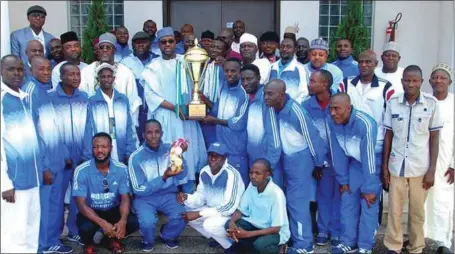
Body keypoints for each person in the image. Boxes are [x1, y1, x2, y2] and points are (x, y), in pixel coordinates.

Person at [382, 65, 443, 254]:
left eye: (415, 80)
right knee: (395, 210)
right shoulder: (393, 103)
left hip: (420, 167)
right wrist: (384, 168)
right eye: (407, 80)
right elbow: (388, 136)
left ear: (421, 82)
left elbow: (434, 138)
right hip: (396, 165)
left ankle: (416, 246)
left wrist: (432, 169)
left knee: (417, 212)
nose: (411, 84)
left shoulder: (431, 104)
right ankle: (394, 245)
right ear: (402, 81)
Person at [141, 27, 207, 193]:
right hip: (165, 117)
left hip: (185, 118)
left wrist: (189, 108)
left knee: (188, 154)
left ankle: (189, 192)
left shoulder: (186, 61)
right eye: (163, 42)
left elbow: (198, 85)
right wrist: (174, 107)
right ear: (158, 45)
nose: (167, 45)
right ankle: (169, 193)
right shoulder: (152, 67)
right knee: (169, 155)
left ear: (175, 42)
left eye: (171, 41)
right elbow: (151, 96)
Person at [264, 79, 326, 253]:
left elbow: (313, 139)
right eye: (265, 93)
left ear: (282, 95)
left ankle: (304, 245)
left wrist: (318, 164)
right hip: (282, 157)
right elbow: (274, 138)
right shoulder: (271, 107)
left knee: (296, 202)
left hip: (300, 159)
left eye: (270, 94)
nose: (266, 97)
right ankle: (288, 237)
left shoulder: (296, 111)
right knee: (277, 199)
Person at [22, 56, 73, 253]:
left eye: (48, 69)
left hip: (57, 159)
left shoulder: (44, 90)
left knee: (55, 205)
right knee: (46, 207)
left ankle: (53, 240)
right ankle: (44, 244)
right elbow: (32, 134)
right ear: (30, 69)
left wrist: (65, 153)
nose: (45, 72)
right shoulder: (30, 92)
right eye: (40, 69)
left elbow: (52, 126)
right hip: (46, 164)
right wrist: (43, 167)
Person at [339, 50, 395, 226]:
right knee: (349, 195)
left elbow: (390, 121)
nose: (364, 65)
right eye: (361, 62)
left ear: (375, 64)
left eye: (368, 62)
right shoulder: (346, 84)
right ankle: (349, 237)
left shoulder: (386, 87)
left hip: (375, 148)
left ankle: (368, 237)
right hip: (350, 148)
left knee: (370, 194)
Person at [326, 93, 380, 254]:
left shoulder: (365, 124)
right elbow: (337, 152)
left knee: (368, 203)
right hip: (354, 163)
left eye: (337, 109)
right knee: (347, 200)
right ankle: (348, 242)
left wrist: (369, 188)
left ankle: (365, 246)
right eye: (330, 109)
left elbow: (369, 157)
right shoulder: (333, 121)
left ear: (348, 109)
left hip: (372, 164)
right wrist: (343, 180)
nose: (333, 113)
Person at [1, 55, 42, 253]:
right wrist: (4, 183)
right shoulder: (2, 100)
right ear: (2, 71)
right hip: (14, 183)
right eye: (11, 69)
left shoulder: (24, 98)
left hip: (33, 180)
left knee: (31, 232)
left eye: (19, 69)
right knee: (14, 236)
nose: (17, 73)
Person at [73, 132, 139, 253]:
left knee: (133, 222)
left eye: (104, 146)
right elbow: (81, 204)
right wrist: (103, 224)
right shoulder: (81, 170)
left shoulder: (121, 169)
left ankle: (112, 239)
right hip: (92, 212)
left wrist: (123, 221)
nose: (99, 150)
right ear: (92, 149)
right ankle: (92, 242)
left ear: (111, 148)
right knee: (85, 228)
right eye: (96, 147)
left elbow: (125, 198)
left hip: (113, 210)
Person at [128, 120, 188, 251]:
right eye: (149, 132)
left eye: (157, 132)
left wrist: (179, 155)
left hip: (168, 194)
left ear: (162, 133)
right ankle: (147, 240)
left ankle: (167, 235)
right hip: (145, 197)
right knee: (147, 222)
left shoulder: (170, 149)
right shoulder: (136, 157)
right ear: (143, 135)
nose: (153, 136)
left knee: (182, 216)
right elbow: (138, 189)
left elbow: (182, 176)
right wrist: (164, 177)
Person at [48, 62, 89, 246]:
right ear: (62, 77)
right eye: (71, 75)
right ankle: (52, 239)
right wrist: (64, 154)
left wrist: (87, 154)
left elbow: (89, 127)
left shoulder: (85, 98)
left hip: (81, 157)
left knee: (78, 198)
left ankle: (74, 231)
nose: (76, 78)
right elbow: (51, 130)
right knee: (56, 200)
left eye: (78, 74)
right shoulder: (51, 98)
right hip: (60, 159)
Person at [179, 142, 245, 251]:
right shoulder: (205, 171)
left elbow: (229, 206)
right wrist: (187, 197)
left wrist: (199, 214)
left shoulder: (231, 174)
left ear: (225, 158)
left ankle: (231, 247)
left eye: (217, 156)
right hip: (212, 210)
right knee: (188, 216)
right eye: (211, 155)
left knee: (208, 224)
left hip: (232, 215)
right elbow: (201, 197)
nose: (213, 158)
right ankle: (219, 237)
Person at [302, 70, 340, 247]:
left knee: (340, 196)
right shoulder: (306, 106)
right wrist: (316, 162)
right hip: (320, 161)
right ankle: (323, 229)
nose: (309, 84)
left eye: (312, 81)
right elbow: (307, 136)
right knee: (323, 196)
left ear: (325, 85)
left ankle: (337, 230)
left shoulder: (339, 102)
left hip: (340, 159)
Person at [198, 58, 249, 186]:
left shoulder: (244, 93)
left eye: (233, 71)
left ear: (239, 72)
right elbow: (217, 110)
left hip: (236, 147)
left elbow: (238, 122)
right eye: (226, 71)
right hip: (222, 144)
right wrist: (203, 99)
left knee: (238, 183)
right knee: (224, 182)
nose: (229, 74)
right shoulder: (225, 86)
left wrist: (214, 121)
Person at [226, 158, 290, 254]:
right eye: (251, 173)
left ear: (267, 175)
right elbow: (240, 210)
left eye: (257, 173)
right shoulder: (252, 185)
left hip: (275, 232)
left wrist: (248, 234)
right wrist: (232, 222)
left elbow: (276, 228)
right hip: (255, 226)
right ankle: (250, 247)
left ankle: (280, 249)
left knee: (260, 245)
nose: (253, 176)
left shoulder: (276, 194)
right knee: (228, 225)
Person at [80, 32, 141, 127]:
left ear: (114, 50)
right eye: (101, 47)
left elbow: (133, 101)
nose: (104, 50)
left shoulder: (125, 72)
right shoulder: (87, 71)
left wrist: (131, 126)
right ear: (98, 51)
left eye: (108, 47)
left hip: (120, 122)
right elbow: (82, 98)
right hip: (94, 121)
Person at [83, 63, 138, 165]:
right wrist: (88, 156)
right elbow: (88, 130)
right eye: (103, 77)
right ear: (98, 79)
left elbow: (129, 127)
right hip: (101, 149)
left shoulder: (122, 99)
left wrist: (130, 151)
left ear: (113, 79)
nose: (106, 79)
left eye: (109, 76)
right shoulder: (92, 101)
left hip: (120, 146)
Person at [424, 63, 454, 253]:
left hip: (445, 161)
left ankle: (444, 242)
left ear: (450, 81)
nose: (438, 81)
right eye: (435, 77)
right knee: (422, 201)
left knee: (443, 202)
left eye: (442, 77)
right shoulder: (425, 101)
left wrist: (453, 164)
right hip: (423, 159)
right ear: (429, 81)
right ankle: (420, 238)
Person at [244, 66, 283, 188]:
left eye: (249, 79)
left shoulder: (266, 100)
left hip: (268, 164)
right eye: (243, 79)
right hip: (254, 161)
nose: (245, 83)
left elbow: (275, 137)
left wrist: (269, 165)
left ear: (258, 79)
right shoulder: (249, 98)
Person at [121, 31, 159, 144]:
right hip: (136, 110)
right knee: (137, 139)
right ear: (132, 46)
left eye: (144, 42)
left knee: (155, 139)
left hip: (155, 109)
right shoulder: (125, 63)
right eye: (137, 43)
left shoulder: (157, 61)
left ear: (150, 44)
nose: (140, 45)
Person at [199, 38, 227, 148]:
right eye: (212, 46)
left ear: (224, 52)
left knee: (215, 148)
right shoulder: (204, 64)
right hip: (201, 114)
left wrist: (204, 99)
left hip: (216, 116)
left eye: (219, 48)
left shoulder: (226, 69)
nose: (214, 50)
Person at [270, 37, 309, 103]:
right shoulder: (272, 67)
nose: (284, 49)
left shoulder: (300, 69)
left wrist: (290, 106)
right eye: (282, 46)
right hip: (271, 108)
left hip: (291, 108)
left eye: (288, 47)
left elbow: (304, 93)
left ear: (295, 50)